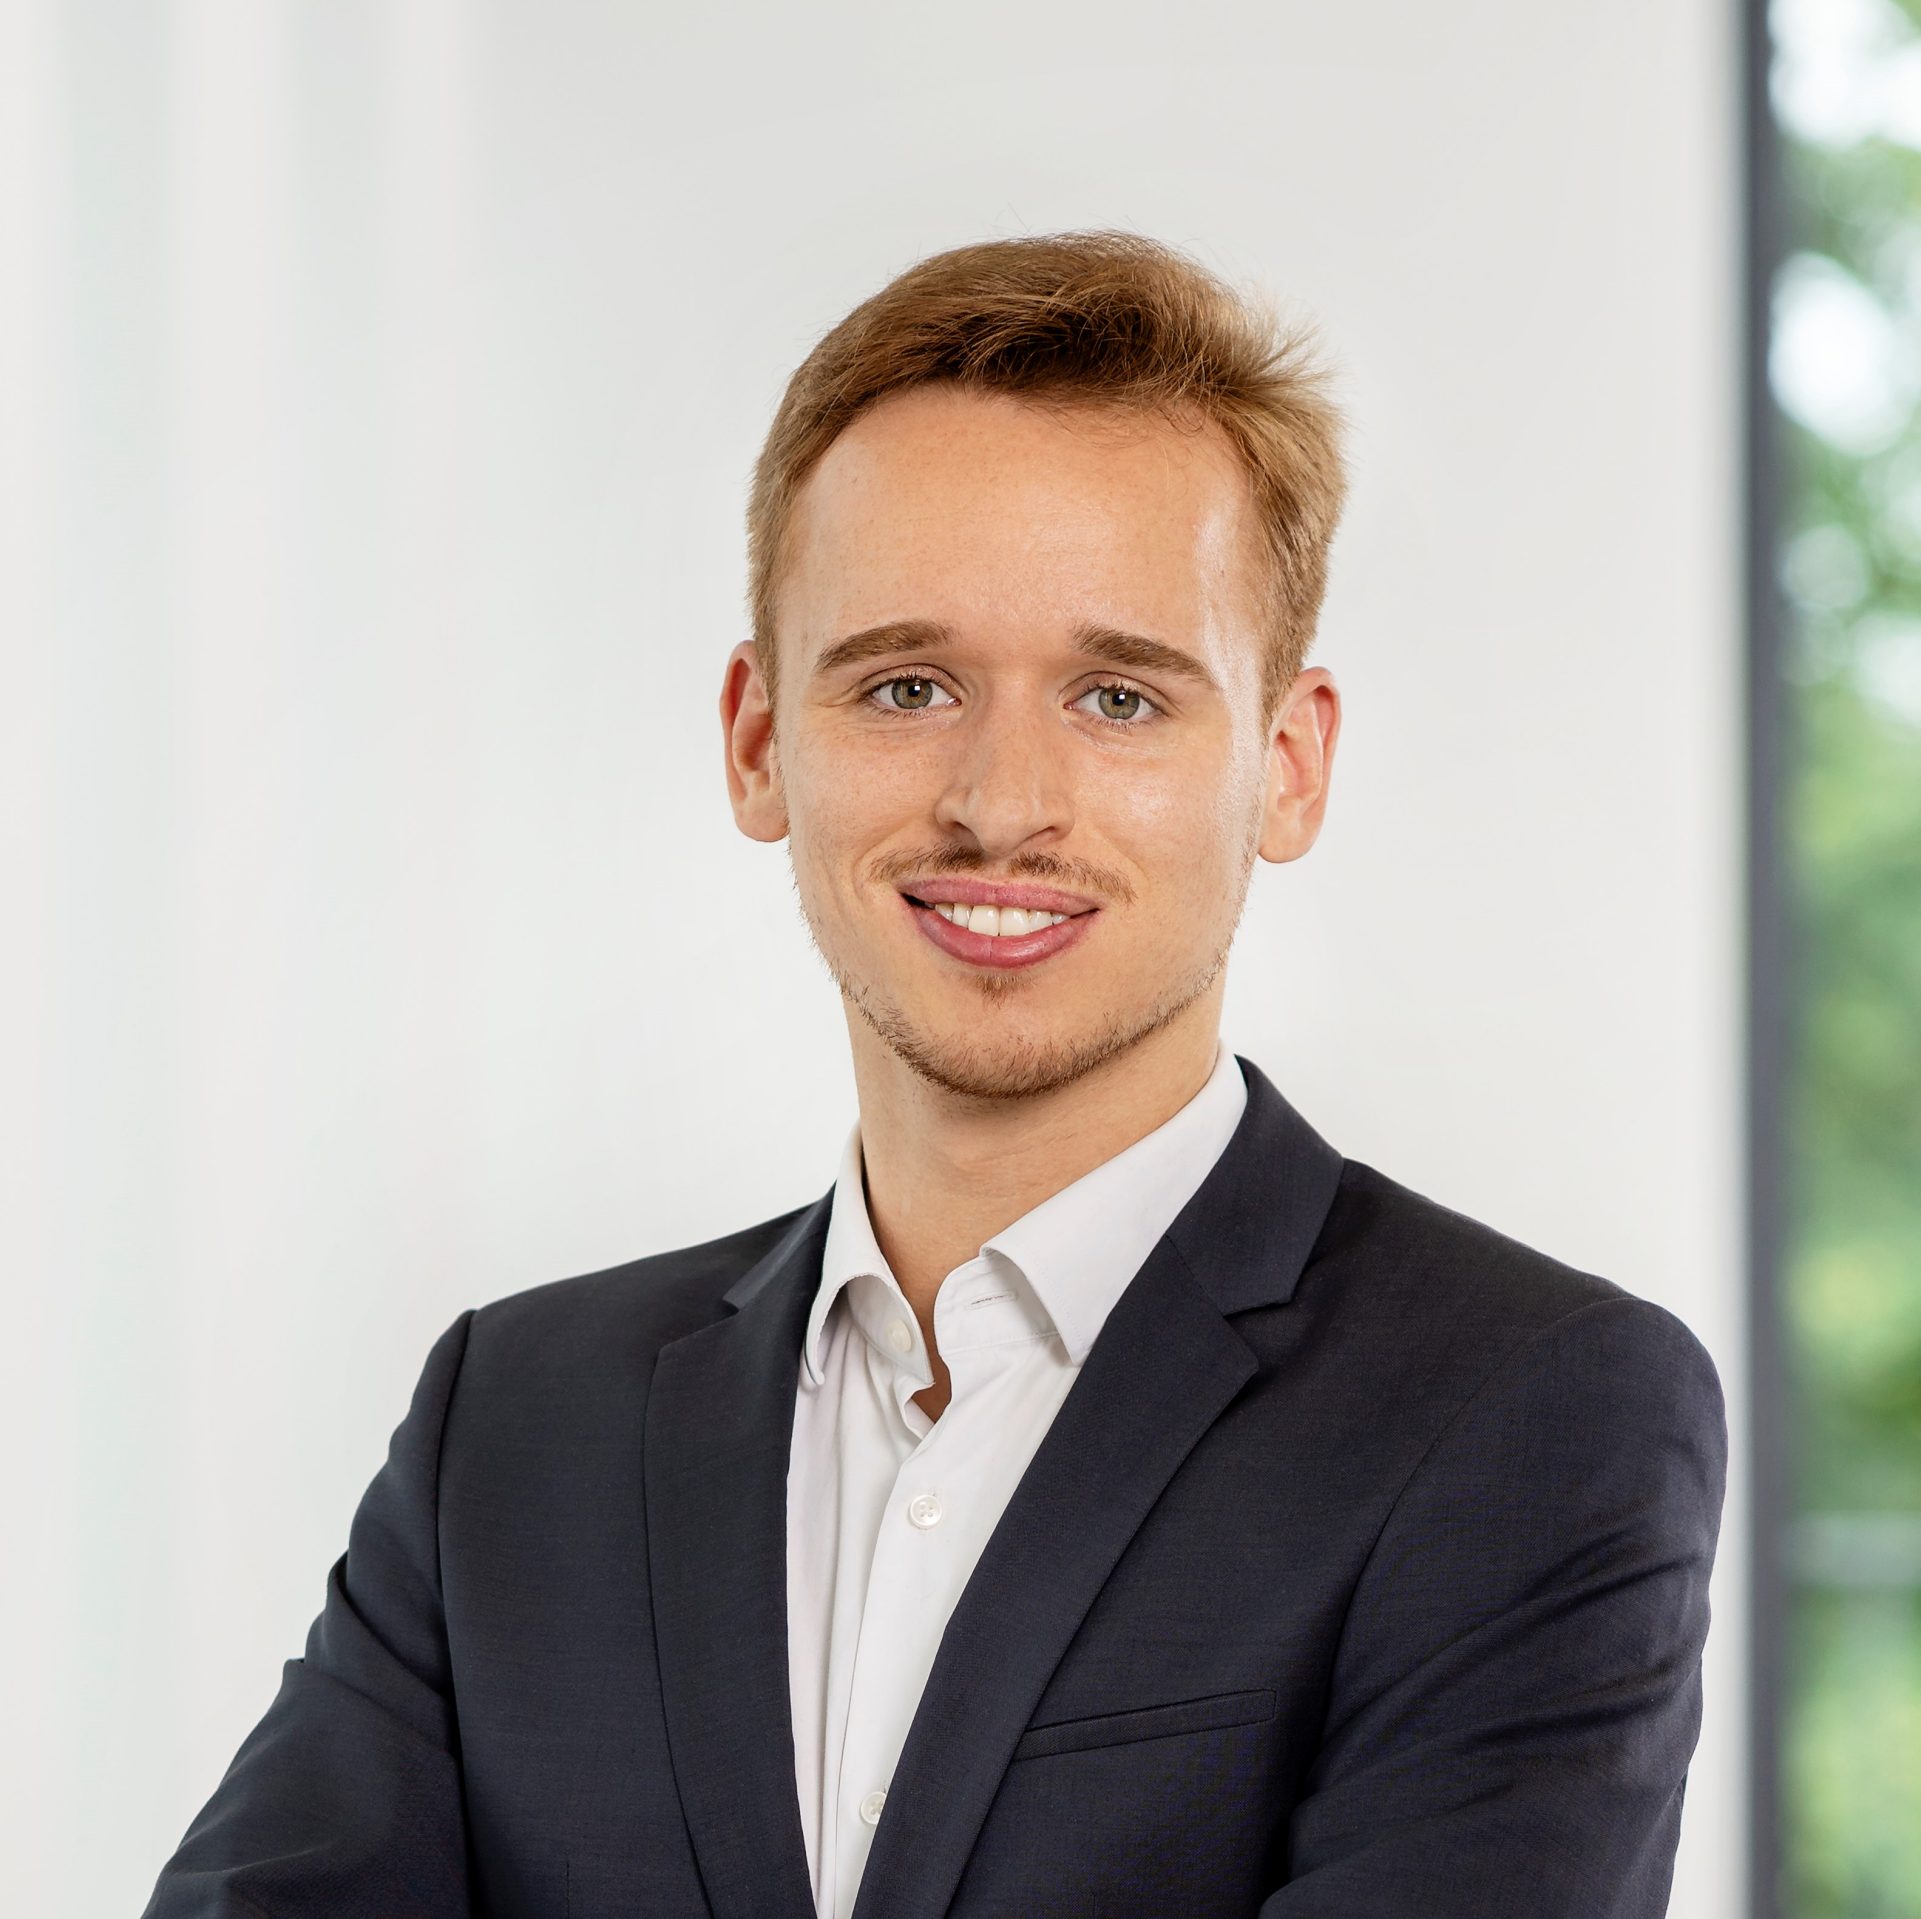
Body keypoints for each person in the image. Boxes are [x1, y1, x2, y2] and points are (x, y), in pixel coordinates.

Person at [143, 230, 1727, 1919]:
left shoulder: (1525, 1417)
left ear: (1285, 764)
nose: (1001, 799)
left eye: (1119, 697)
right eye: (906, 685)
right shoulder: (512, 1428)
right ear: (760, 741)